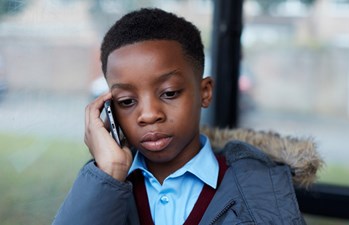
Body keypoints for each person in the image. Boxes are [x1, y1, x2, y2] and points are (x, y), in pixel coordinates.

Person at [52, 8, 321, 225]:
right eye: (126, 101)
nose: (148, 115)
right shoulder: (103, 187)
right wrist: (109, 173)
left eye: (169, 93)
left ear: (204, 92)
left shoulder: (262, 188)